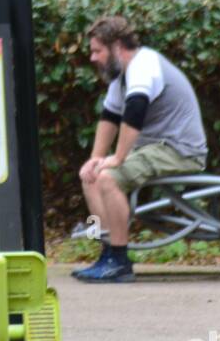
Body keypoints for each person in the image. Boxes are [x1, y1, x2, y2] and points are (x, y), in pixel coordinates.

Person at [74, 16, 208, 283]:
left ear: (117, 46)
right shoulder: (120, 76)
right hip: (154, 148)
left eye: (97, 50)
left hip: (179, 149)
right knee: (90, 175)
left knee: (109, 179)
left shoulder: (144, 65)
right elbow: (110, 118)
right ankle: (109, 254)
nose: (92, 57)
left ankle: (120, 262)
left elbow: (134, 113)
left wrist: (118, 159)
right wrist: (96, 159)